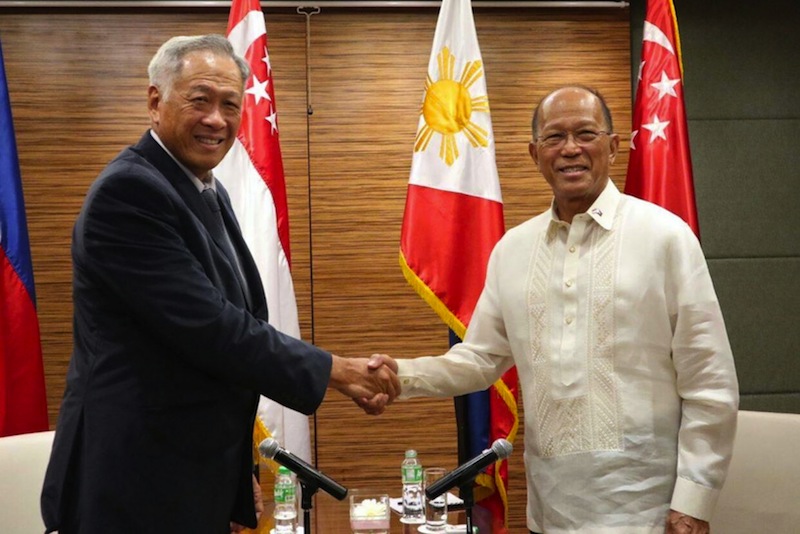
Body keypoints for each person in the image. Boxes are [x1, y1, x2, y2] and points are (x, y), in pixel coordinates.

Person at [40, 34, 399, 534]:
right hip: (132, 482)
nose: (217, 119)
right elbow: (211, 328)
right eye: (200, 100)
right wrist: (336, 371)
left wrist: (235, 476)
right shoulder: (129, 193)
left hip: (189, 473)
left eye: (231, 105)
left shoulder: (204, 188)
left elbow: (242, 319)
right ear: (155, 101)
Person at [372, 86, 739, 534]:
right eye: (554, 138)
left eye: (586, 133)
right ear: (534, 153)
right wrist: (399, 377)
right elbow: (480, 359)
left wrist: (693, 501)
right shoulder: (513, 250)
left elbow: (710, 381)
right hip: (550, 514)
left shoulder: (665, 237)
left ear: (613, 145)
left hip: (649, 514)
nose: (570, 149)